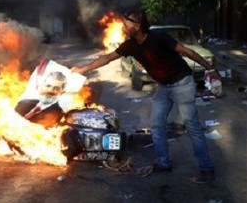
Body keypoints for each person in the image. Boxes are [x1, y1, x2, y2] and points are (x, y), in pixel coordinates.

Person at [71, 10, 220, 184]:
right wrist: (82, 69)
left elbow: (188, 52)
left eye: (127, 24)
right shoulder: (130, 45)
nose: (124, 27)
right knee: (156, 126)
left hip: (182, 84)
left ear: (137, 26)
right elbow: (107, 58)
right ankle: (164, 163)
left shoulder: (159, 37)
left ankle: (206, 169)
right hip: (164, 87)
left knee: (192, 127)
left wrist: (210, 68)